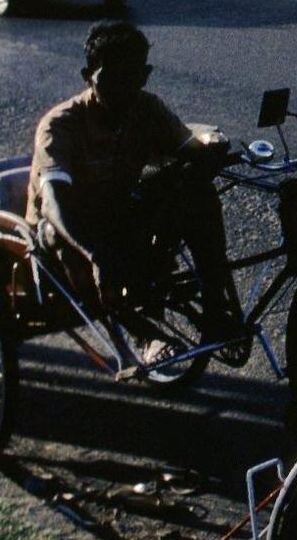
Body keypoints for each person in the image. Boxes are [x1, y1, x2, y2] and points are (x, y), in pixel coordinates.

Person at [26, 20, 238, 364]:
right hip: (70, 228)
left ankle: (216, 309)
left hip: (117, 213)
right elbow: (53, 205)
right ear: (88, 75)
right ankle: (141, 334)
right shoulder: (60, 125)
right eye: (110, 80)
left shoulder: (147, 107)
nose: (122, 92)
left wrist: (213, 154)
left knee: (196, 193)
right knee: (58, 233)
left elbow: (190, 153)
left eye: (133, 79)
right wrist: (96, 256)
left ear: (145, 74)